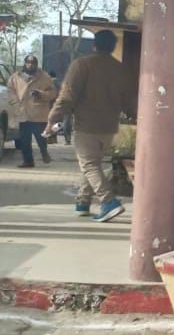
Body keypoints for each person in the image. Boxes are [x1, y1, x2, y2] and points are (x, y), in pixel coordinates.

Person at [46, 30, 135, 223]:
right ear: (113, 46)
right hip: (109, 126)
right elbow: (129, 99)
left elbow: (67, 96)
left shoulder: (82, 65)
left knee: (89, 165)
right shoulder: (120, 69)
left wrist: (53, 118)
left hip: (87, 124)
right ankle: (83, 202)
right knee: (92, 163)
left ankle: (109, 202)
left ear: (94, 44)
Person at [6, 55, 57, 168]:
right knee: (24, 140)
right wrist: (15, 103)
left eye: (33, 63)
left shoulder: (45, 77)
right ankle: (28, 161)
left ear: (36, 64)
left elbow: (53, 93)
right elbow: (10, 91)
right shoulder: (16, 77)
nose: (30, 65)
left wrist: (40, 94)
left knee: (41, 138)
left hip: (38, 113)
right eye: (28, 62)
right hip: (22, 112)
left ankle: (44, 151)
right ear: (25, 63)